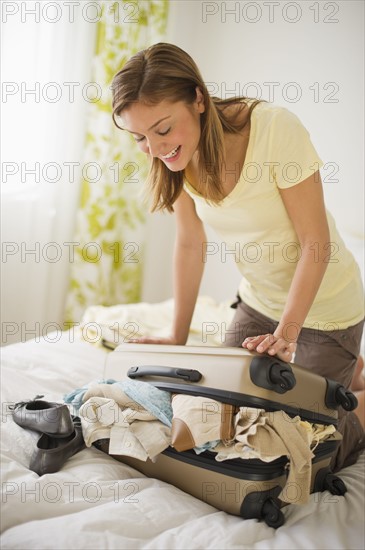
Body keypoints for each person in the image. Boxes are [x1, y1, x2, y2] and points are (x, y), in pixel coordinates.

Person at [111, 42, 365, 471]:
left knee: (306, 451)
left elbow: (314, 241)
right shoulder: (175, 156)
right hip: (259, 303)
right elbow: (191, 243)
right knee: (218, 421)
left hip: (326, 307)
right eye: (139, 137)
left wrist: (288, 333)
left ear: (198, 99)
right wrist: (177, 335)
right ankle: (349, 369)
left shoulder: (273, 129)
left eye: (162, 129)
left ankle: (348, 376)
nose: (154, 148)